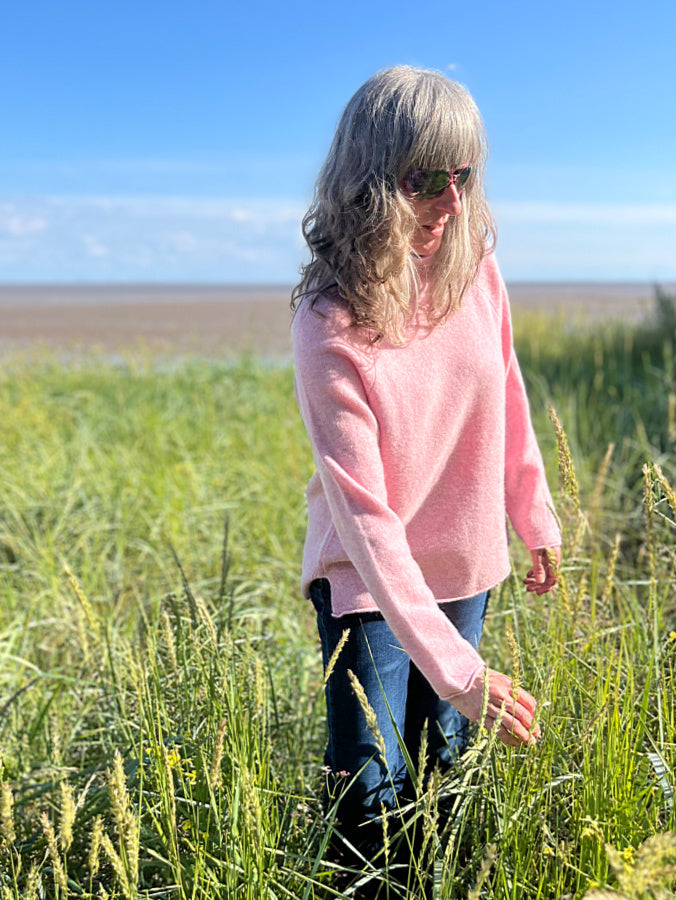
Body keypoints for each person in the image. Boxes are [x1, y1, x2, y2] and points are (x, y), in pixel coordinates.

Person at [290, 65, 561, 877]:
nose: (450, 200)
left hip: (465, 562)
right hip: (369, 581)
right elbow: (368, 524)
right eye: (423, 180)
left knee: (441, 771)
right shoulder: (328, 318)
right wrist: (463, 672)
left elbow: (505, 385)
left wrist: (532, 511)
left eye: (464, 175)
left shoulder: (474, 264)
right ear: (370, 181)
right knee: (371, 788)